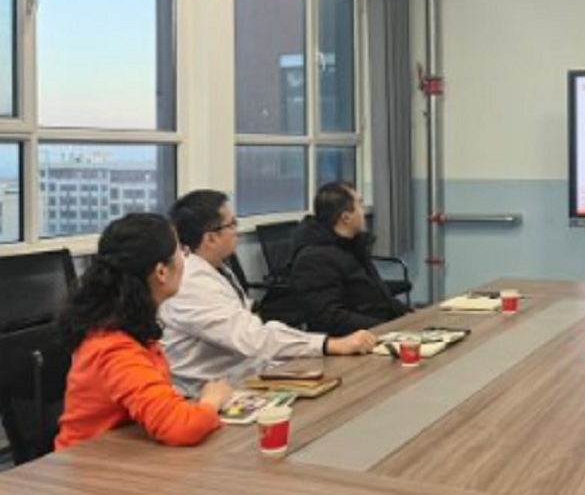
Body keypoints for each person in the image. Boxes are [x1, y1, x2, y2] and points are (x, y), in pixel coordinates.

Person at [159, 190, 377, 397]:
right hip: (209, 393)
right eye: (232, 224)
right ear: (211, 238)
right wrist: (330, 344)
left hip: (245, 373)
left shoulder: (216, 268)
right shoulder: (192, 284)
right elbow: (252, 338)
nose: (237, 230)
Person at [56, 213, 233, 449]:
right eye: (181, 251)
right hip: (92, 462)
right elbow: (180, 427)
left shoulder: (131, 324)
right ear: (161, 272)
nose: (185, 259)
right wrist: (212, 401)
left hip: (128, 451)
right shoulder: (113, 347)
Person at [263, 181, 408, 335]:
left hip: (379, 330)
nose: (364, 211)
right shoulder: (314, 259)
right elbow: (329, 318)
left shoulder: (352, 245)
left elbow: (379, 296)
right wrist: (387, 328)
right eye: (360, 204)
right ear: (346, 217)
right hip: (356, 340)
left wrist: (408, 315)